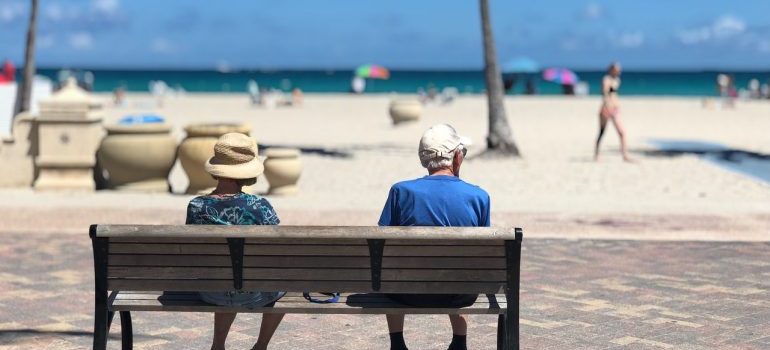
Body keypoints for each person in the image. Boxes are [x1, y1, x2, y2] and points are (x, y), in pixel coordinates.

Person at [378, 124, 490, 350]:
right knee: (462, 266)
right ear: (457, 157)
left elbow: (382, 245)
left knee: (390, 268)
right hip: (460, 295)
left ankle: (397, 343)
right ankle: (459, 341)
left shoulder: (401, 192)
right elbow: (483, 254)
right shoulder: (479, 196)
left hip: (407, 293)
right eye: (463, 153)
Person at [185, 133, 285, 350]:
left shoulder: (196, 206)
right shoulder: (260, 206)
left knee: (225, 272)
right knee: (285, 281)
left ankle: (218, 345)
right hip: (257, 293)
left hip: (211, 291)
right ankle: (260, 346)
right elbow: (277, 249)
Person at [594, 62, 632, 162]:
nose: (619, 71)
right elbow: (604, 93)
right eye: (617, 69)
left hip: (615, 109)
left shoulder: (617, 80)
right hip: (606, 109)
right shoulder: (606, 79)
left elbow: (614, 94)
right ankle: (596, 154)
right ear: (611, 69)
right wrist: (607, 104)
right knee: (602, 132)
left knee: (622, 132)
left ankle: (625, 155)